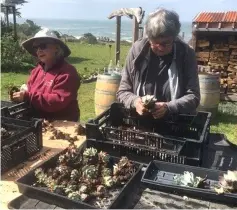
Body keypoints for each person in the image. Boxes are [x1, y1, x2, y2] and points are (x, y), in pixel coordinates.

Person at [117, 8, 200, 119]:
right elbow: (123, 91)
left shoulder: (186, 54)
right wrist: (135, 102)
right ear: (149, 38)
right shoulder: (137, 51)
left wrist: (169, 107)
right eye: (156, 42)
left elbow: (193, 96)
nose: (160, 48)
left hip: (175, 123)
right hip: (140, 122)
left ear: (174, 38)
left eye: (166, 43)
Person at [12, 28, 81, 121]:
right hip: (39, 121)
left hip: (62, 124)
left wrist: (27, 96)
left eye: (43, 46)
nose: (39, 50)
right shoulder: (36, 71)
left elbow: (57, 101)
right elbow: (30, 91)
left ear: (56, 48)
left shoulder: (67, 72)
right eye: (36, 48)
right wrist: (21, 95)